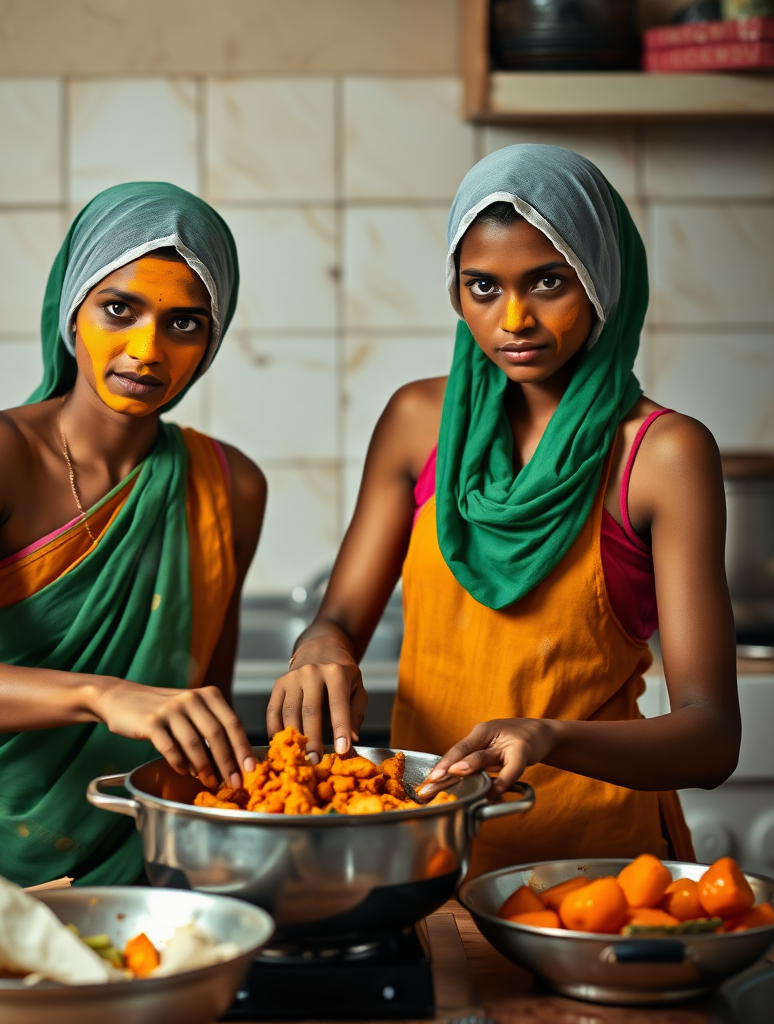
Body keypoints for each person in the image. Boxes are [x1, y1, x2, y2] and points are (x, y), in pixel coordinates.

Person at [267, 145, 739, 873]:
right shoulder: (417, 421)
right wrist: (319, 648)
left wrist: (550, 737)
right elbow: (337, 623)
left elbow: (710, 740)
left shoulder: (663, 455)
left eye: (548, 282)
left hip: (595, 876)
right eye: (482, 287)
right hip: (427, 853)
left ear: (601, 280)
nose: (513, 318)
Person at [0, 183, 265, 901]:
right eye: (120, 309)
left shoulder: (231, 484)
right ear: (71, 310)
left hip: (144, 869)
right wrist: (103, 694)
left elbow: (207, 714)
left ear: (211, 340)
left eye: (184, 323)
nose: (146, 350)